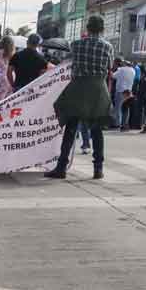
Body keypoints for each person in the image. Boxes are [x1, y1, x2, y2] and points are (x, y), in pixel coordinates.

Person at [46, 16, 113, 180]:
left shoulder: (76, 45)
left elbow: (65, 62)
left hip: (78, 88)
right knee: (96, 131)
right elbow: (110, 67)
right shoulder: (108, 47)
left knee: (70, 128)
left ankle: (61, 167)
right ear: (102, 29)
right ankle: (98, 169)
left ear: (87, 28)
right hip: (98, 90)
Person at [111, 60, 136, 131]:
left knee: (118, 107)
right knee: (126, 108)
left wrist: (111, 71)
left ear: (125, 64)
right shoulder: (133, 71)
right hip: (128, 91)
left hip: (120, 90)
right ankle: (124, 124)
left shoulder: (121, 69)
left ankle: (117, 123)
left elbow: (113, 76)